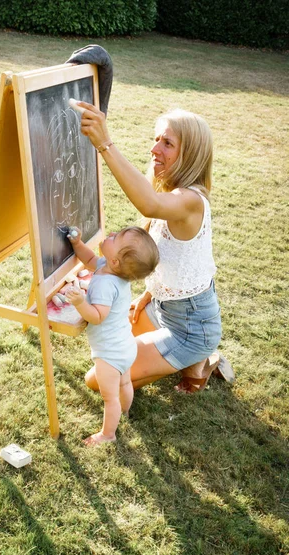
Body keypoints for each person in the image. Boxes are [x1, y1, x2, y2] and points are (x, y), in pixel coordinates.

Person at [74, 102, 234, 394]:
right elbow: (175, 259)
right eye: (157, 138)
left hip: (191, 328)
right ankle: (186, 361)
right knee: (108, 348)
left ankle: (196, 360)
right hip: (163, 310)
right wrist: (148, 296)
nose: (154, 149)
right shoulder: (173, 193)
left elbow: (148, 203)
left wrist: (104, 144)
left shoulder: (191, 200)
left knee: (98, 379)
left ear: (191, 156)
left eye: (168, 143)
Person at [65, 226, 159, 446]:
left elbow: (98, 316)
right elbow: (89, 258)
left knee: (110, 397)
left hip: (109, 353)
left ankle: (108, 434)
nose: (110, 235)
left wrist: (80, 302)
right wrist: (77, 243)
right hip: (126, 345)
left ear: (115, 261)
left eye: (114, 238)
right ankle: (125, 412)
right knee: (124, 383)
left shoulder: (107, 285)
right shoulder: (108, 268)